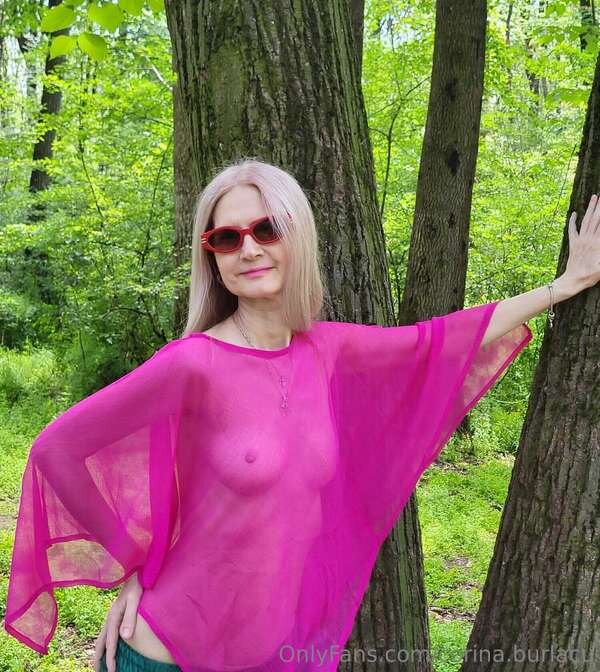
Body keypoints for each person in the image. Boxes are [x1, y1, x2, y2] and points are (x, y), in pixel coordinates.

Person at [4, 159, 599, 672]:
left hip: (271, 651)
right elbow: (57, 450)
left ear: (297, 237)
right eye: (227, 238)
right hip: (168, 653)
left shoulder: (328, 350)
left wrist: (564, 286)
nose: (250, 248)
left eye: (267, 229)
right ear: (212, 258)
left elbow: (436, 342)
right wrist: (134, 564)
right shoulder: (193, 364)